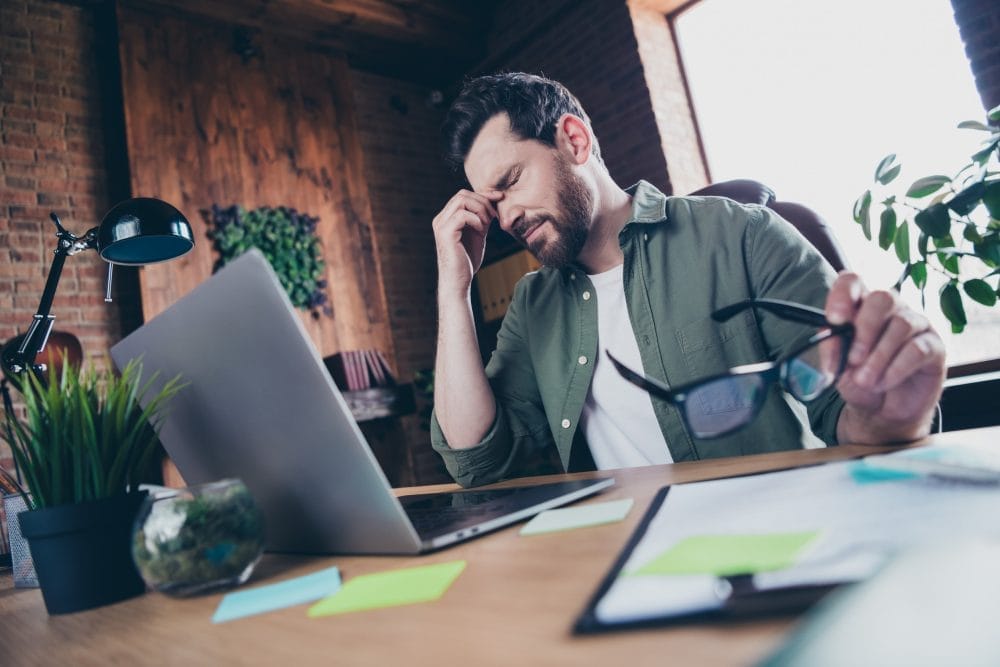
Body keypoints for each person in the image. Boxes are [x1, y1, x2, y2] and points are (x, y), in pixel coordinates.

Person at [430, 72, 946, 488]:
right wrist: (454, 290)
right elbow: (479, 462)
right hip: (619, 558)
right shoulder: (533, 302)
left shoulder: (740, 232)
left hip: (773, 538)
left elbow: (847, 414)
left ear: (574, 140)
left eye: (512, 182)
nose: (506, 217)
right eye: (491, 203)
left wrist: (891, 418)